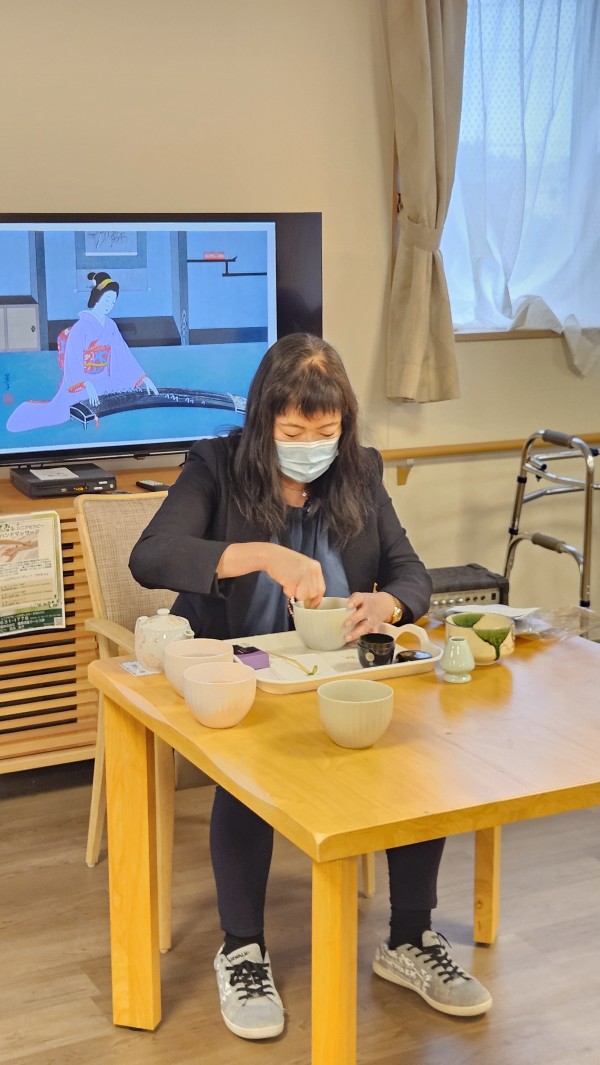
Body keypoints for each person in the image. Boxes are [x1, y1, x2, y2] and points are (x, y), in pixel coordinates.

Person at [129, 333, 492, 1041]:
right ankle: (241, 949)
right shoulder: (217, 465)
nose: (309, 447)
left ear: (344, 425)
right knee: (249, 775)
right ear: (264, 417)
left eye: (325, 432)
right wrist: (262, 554)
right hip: (241, 671)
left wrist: (390, 605)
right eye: (293, 432)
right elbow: (153, 556)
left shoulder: (360, 470)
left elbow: (410, 571)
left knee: (417, 763)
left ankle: (409, 939)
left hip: (331, 670)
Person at [7, 271, 158, 432]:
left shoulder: (111, 325)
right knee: (62, 412)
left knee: (124, 392)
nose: (109, 305)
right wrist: (85, 383)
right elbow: (73, 360)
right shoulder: (81, 327)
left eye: (113, 302)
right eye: (107, 299)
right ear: (97, 297)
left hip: (103, 379)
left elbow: (123, 354)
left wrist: (143, 378)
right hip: (82, 383)